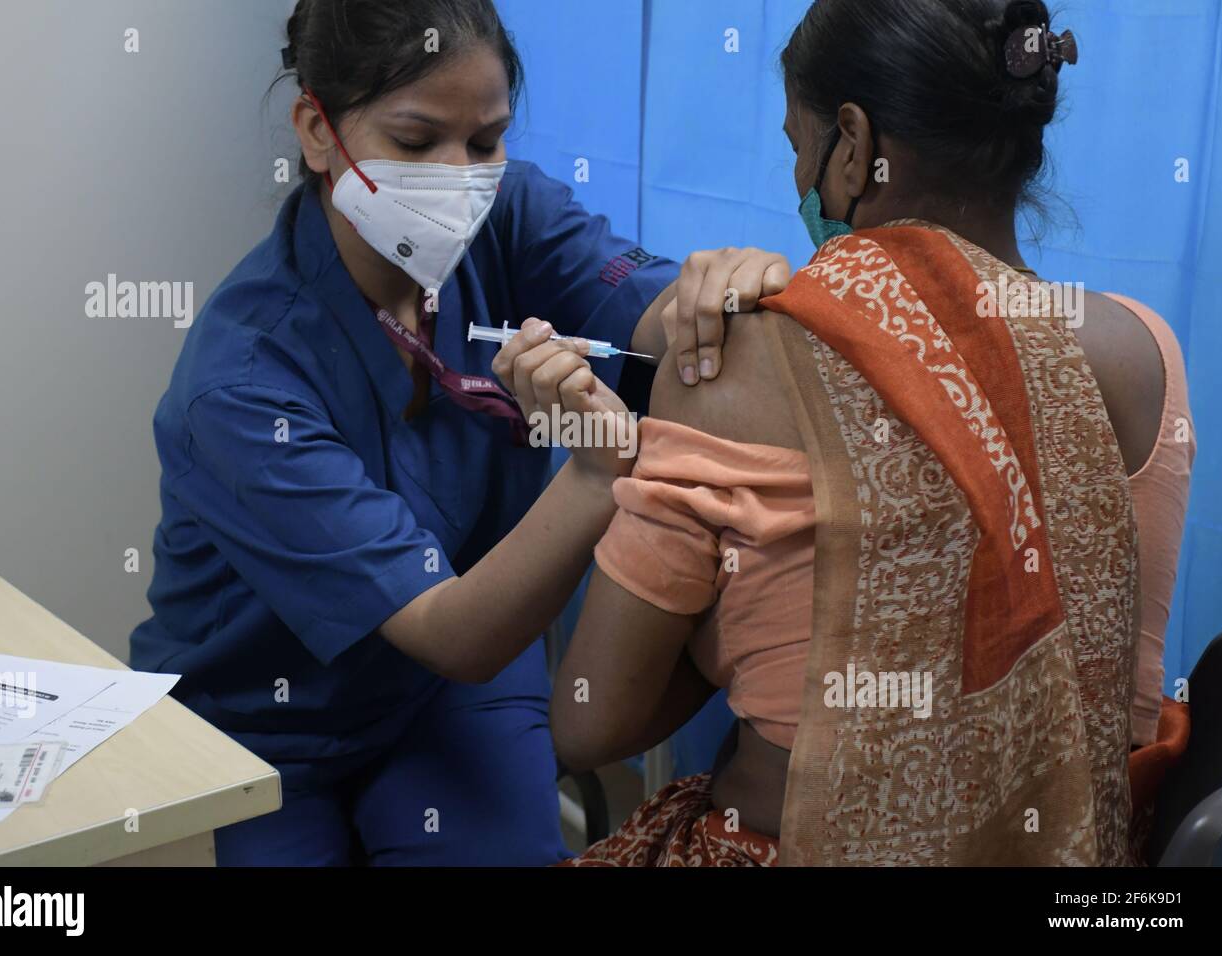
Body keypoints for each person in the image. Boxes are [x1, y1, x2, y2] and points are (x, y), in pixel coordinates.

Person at [128, 0, 789, 866]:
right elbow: (452, 629)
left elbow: (650, 319)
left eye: (485, 142)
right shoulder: (245, 379)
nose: (460, 178)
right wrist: (594, 477)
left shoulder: (508, 216)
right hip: (267, 723)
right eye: (414, 141)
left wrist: (719, 288)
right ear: (317, 132)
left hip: (443, 695)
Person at [545, 0, 1196, 866]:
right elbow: (1130, 706)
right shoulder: (1145, 358)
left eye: (795, 146)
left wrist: (721, 628)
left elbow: (591, 721)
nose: (797, 178)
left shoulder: (732, 362)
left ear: (852, 146)